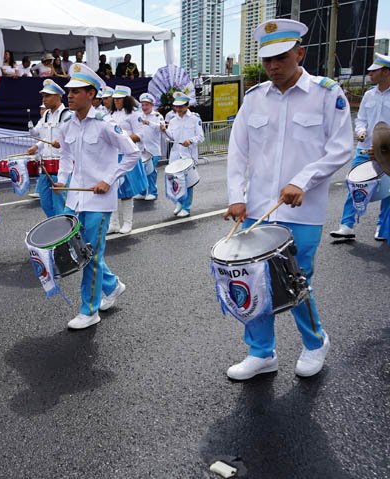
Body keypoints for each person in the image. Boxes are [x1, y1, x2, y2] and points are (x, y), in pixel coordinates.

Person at [224, 19, 353, 380]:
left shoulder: (326, 94)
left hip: (303, 212)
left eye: (281, 57)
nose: (273, 66)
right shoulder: (254, 98)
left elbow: (341, 147)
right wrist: (236, 197)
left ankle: (315, 343)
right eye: (267, 60)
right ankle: (261, 352)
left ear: (300, 54)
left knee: (295, 282)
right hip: (258, 210)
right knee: (254, 281)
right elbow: (237, 151)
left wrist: (302, 181)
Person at [55, 63, 141, 329]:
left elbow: (132, 154)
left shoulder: (105, 124)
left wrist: (109, 179)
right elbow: (65, 155)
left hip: (99, 201)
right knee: (75, 251)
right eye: (69, 91)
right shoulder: (67, 124)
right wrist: (61, 180)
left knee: (90, 255)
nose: (69, 95)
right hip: (75, 199)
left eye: (76, 91)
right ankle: (112, 285)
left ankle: (89, 311)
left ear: (91, 94)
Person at [329, 52, 390, 242]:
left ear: (386, 72)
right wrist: (361, 130)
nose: (370, 74)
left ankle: (383, 228)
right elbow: (361, 119)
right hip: (365, 149)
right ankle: (347, 226)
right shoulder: (369, 95)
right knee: (355, 185)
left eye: (374, 71)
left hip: (388, 152)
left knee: (388, 191)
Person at [27, 79, 71, 217]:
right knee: (45, 202)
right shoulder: (46, 115)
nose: (44, 99)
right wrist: (36, 144)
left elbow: (73, 138)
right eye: (43, 96)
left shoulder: (67, 115)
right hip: (46, 164)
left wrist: (62, 142)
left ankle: (65, 227)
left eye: (47, 96)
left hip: (60, 164)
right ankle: (56, 225)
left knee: (60, 203)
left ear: (58, 96)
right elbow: (41, 135)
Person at [108, 85, 148, 234]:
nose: (116, 101)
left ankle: (127, 222)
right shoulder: (110, 114)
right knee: (111, 189)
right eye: (115, 99)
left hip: (127, 154)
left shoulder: (134, 115)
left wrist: (122, 140)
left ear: (126, 99)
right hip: (113, 156)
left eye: (120, 99)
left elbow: (140, 135)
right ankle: (114, 223)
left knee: (127, 190)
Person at [160, 92, 204, 217]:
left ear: (187, 105)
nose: (178, 109)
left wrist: (190, 140)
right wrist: (165, 131)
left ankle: (186, 207)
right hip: (175, 155)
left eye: (181, 107)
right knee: (175, 181)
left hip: (188, 156)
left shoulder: (195, 119)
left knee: (188, 182)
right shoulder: (173, 120)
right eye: (176, 107)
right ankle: (178, 202)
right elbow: (172, 137)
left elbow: (201, 137)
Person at [137, 93, 164, 201]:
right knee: (141, 172)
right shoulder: (139, 115)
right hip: (141, 149)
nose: (144, 107)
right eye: (143, 105)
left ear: (152, 105)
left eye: (147, 105)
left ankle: (153, 192)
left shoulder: (157, 116)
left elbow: (161, 128)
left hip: (153, 150)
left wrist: (149, 123)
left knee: (151, 172)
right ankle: (143, 192)